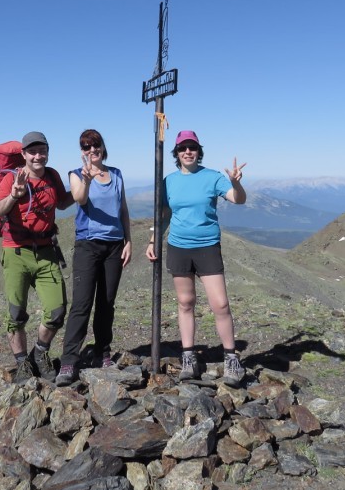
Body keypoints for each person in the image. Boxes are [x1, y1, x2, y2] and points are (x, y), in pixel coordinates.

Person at [145, 129, 248, 387]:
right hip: (179, 246)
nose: (187, 152)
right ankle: (189, 357)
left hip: (207, 246)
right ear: (176, 153)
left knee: (220, 304)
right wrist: (152, 241)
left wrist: (235, 182)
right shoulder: (168, 182)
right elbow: (163, 215)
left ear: (199, 151)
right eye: (182, 148)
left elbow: (238, 199)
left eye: (192, 147)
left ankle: (231, 358)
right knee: (185, 302)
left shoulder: (212, 177)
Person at [0, 131, 75, 382]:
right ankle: (21, 362)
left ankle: (40, 352)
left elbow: (61, 203)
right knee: (16, 314)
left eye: (42, 151)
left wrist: (84, 185)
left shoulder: (52, 176)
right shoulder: (14, 178)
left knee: (57, 310)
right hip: (15, 251)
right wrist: (15, 195)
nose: (38, 156)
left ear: (47, 152)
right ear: (24, 155)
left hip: (46, 251)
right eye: (33, 152)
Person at [55, 129, 133, 386]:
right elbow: (79, 198)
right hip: (88, 245)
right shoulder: (76, 175)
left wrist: (128, 241)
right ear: (81, 151)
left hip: (114, 246)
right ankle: (69, 360)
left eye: (95, 145)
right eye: (86, 147)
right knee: (82, 303)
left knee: (107, 302)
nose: (92, 150)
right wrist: (87, 179)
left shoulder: (117, 174)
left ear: (102, 146)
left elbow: (123, 208)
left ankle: (103, 351)